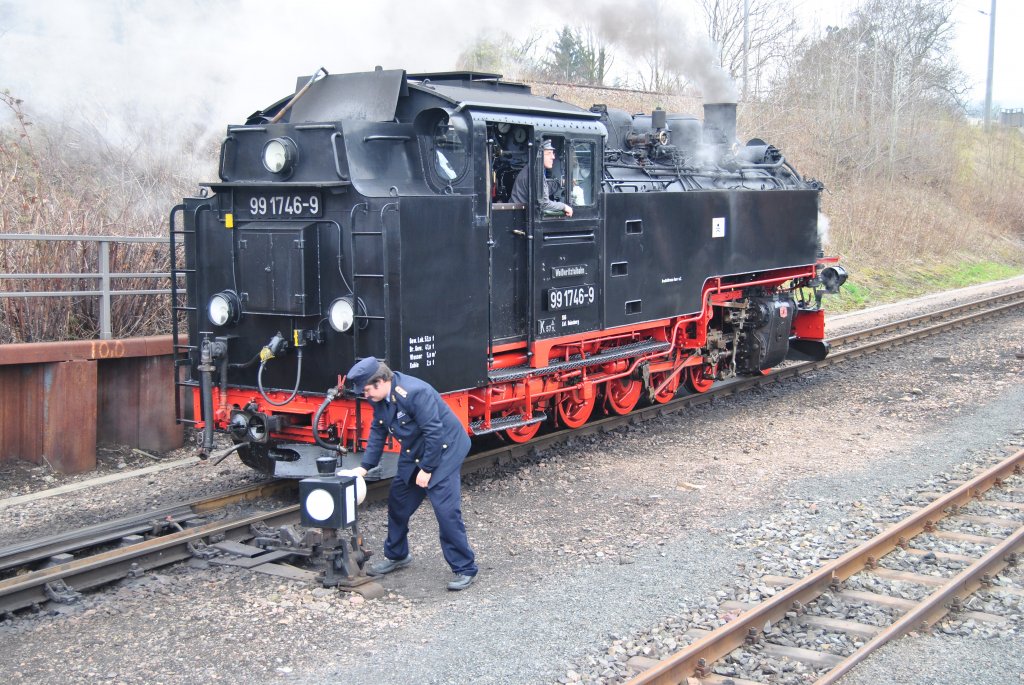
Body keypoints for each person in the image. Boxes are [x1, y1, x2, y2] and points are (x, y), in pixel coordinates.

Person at [344, 357, 478, 591]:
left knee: (446, 512)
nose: (365, 396)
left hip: (445, 450)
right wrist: (364, 467)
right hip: (415, 449)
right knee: (399, 502)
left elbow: (434, 433)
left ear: (381, 381)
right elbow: (378, 429)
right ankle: (397, 555)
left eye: (366, 390)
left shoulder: (416, 393)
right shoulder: (380, 397)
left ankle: (465, 568)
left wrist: (427, 470)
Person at [509, 139, 574, 217]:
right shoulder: (536, 172)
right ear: (539, 155)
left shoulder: (533, 168)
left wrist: (561, 183)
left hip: (518, 215)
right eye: (549, 153)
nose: (553, 157)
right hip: (520, 218)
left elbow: (543, 189)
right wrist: (564, 206)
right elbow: (544, 204)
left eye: (552, 153)